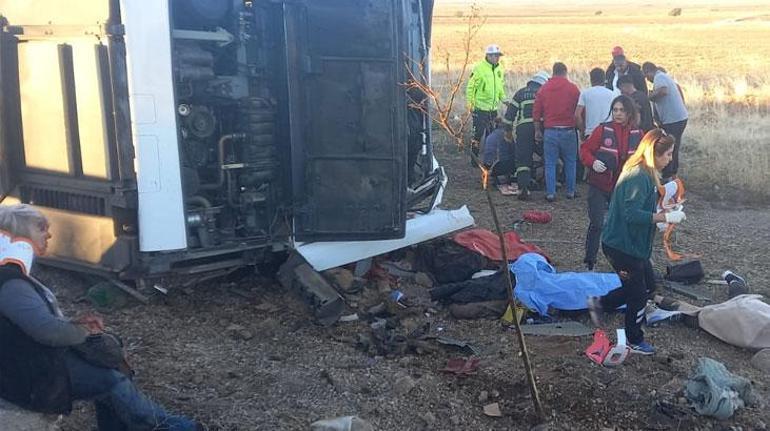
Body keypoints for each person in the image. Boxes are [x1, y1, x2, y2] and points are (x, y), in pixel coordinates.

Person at [0, 204, 201, 431]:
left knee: (109, 363)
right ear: (17, 235)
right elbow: (47, 331)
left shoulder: (11, 277)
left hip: (28, 360)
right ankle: (178, 428)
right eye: (40, 229)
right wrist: (84, 332)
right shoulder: (12, 283)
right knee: (112, 382)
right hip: (27, 373)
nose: (49, 234)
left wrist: (73, 324)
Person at [587, 129, 686, 355]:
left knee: (647, 286)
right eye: (668, 154)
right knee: (638, 293)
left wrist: (658, 221)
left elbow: (639, 210)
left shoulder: (646, 174)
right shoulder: (638, 176)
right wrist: (664, 217)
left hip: (634, 245)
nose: (670, 159)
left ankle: (600, 303)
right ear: (654, 153)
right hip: (621, 246)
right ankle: (633, 338)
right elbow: (631, 214)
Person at [579, 95, 642, 271]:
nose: (618, 114)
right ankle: (589, 262)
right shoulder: (602, 130)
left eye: (622, 110)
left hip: (622, 188)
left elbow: (645, 159)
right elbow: (585, 149)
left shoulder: (638, 134)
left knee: (621, 225)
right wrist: (592, 162)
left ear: (629, 112)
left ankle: (622, 263)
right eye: (615, 110)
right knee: (597, 223)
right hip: (598, 185)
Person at [533, 62, 580, 202]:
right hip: (569, 131)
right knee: (571, 162)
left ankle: (551, 193)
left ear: (553, 72)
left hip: (550, 131)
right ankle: (570, 191)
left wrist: (537, 130)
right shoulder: (573, 89)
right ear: (565, 72)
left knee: (550, 163)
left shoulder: (544, 89)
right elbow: (579, 109)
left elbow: (536, 112)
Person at [504, 70, 549, 200]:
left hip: (523, 129)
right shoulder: (544, 93)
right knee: (547, 155)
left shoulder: (520, 93)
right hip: (541, 128)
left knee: (523, 160)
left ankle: (523, 188)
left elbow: (509, 115)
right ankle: (550, 183)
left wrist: (508, 131)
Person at [642, 62, 688, 180]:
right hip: (677, 118)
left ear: (648, 72)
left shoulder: (659, 77)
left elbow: (663, 91)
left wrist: (649, 97)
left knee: (669, 147)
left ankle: (668, 176)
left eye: (647, 77)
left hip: (673, 120)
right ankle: (672, 174)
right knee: (674, 146)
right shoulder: (664, 77)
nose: (648, 80)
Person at [466, 44, 506, 165]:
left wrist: (503, 99)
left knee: (491, 136)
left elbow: (500, 87)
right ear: (488, 56)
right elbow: (470, 87)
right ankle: (474, 160)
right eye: (495, 56)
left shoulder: (500, 69)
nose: (497, 58)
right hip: (480, 109)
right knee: (477, 134)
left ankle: (489, 161)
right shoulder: (479, 68)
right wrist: (470, 105)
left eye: (499, 56)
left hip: (493, 109)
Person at [575, 68, 615, 181]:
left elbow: (577, 115)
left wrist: (582, 131)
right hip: (609, 132)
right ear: (605, 79)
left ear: (591, 79)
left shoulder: (585, 93)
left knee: (590, 157)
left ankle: (590, 178)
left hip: (591, 131)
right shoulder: (612, 94)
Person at [481, 117, 517, 195]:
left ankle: (495, 178)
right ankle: (508, 178)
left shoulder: (490, 135)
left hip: (487, 166)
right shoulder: (506, 135)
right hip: (498, 165)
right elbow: (513, 152)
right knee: (517, 161)